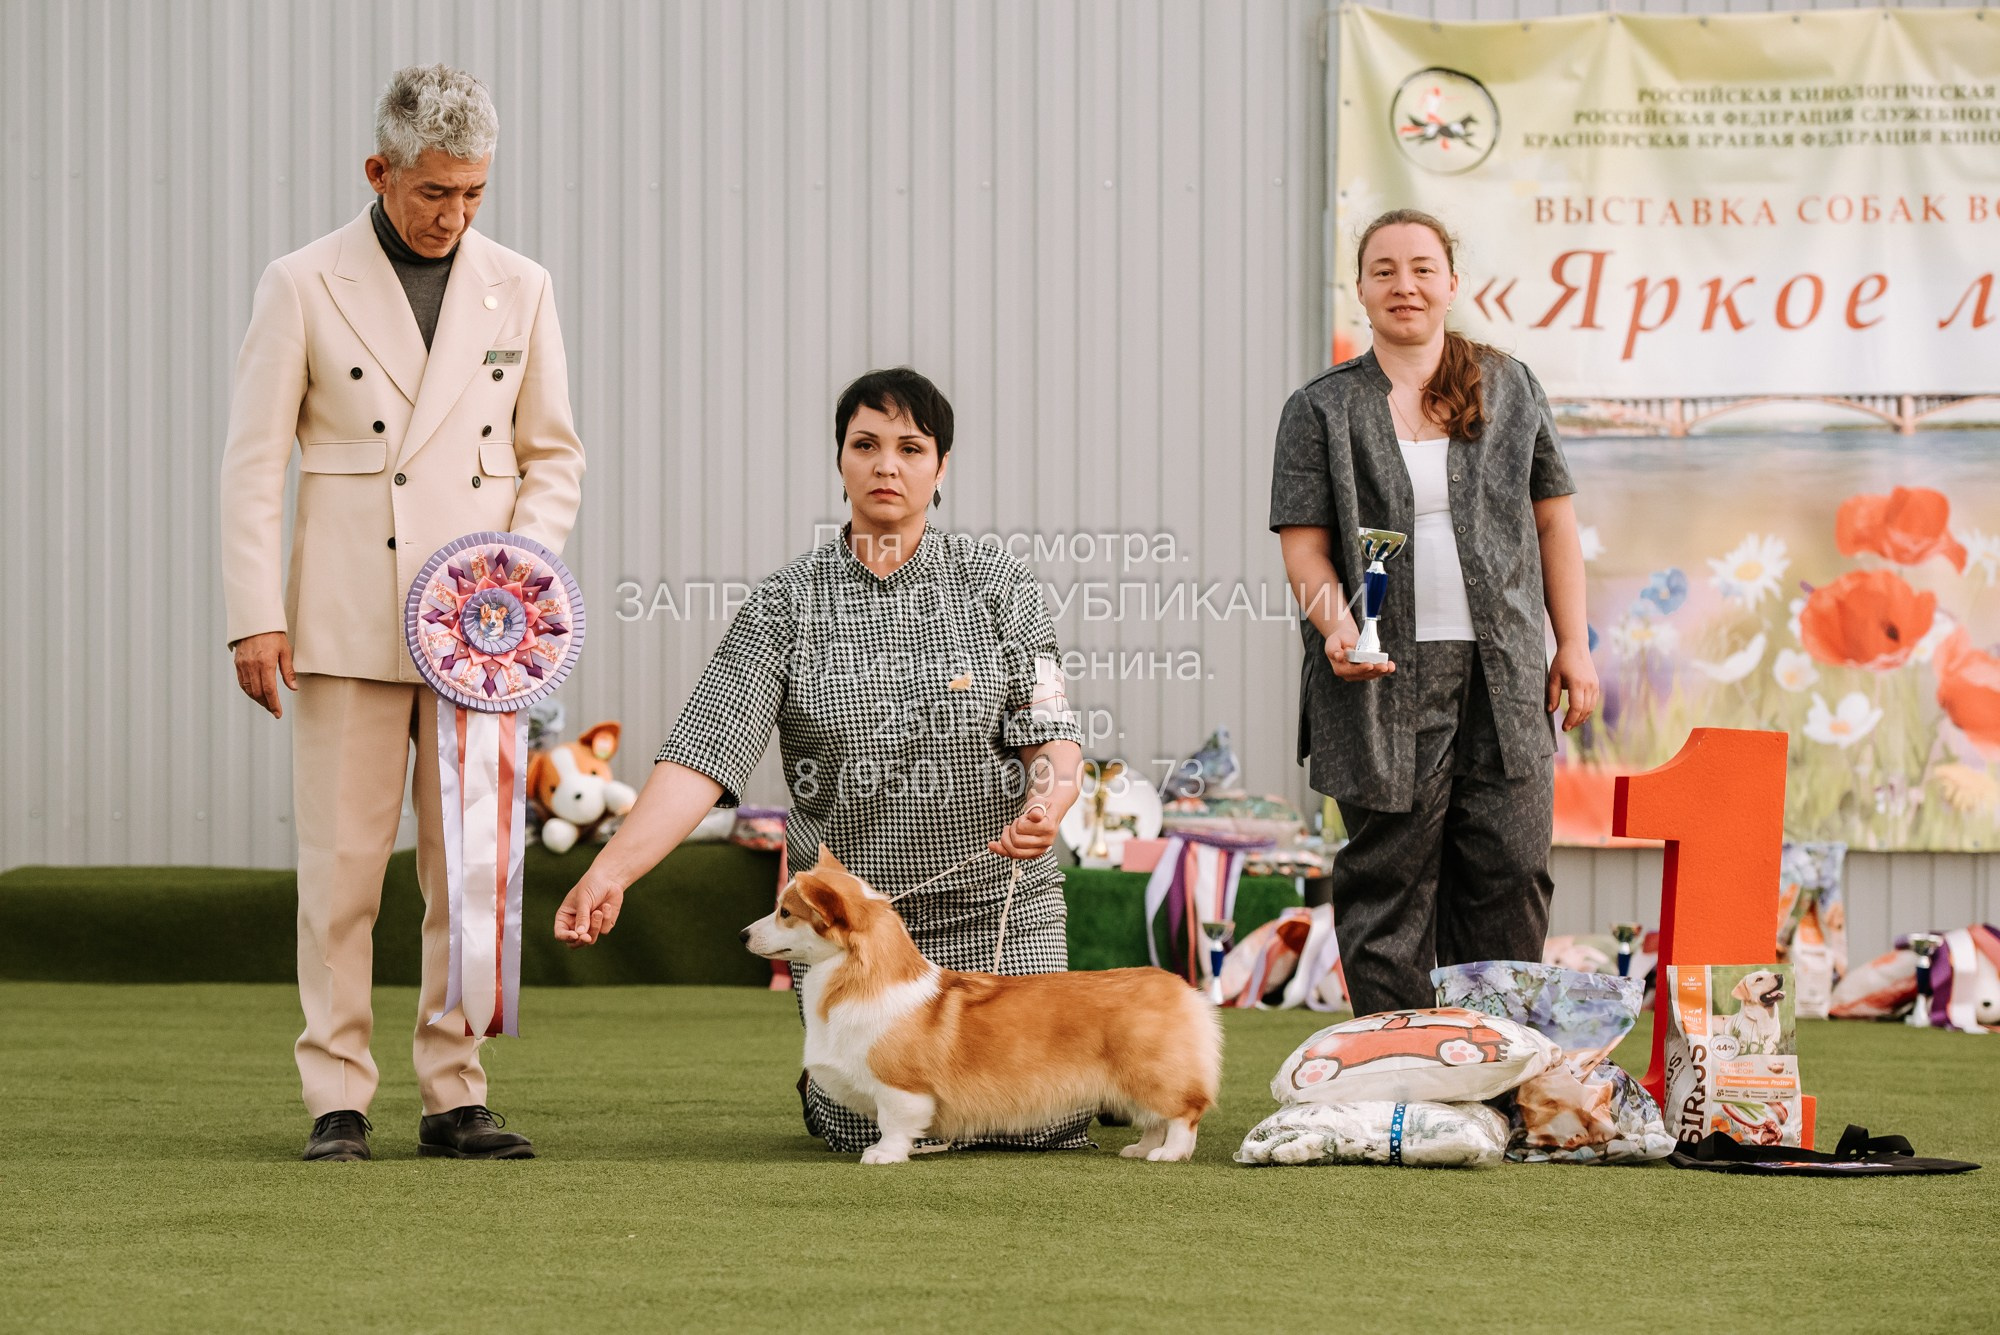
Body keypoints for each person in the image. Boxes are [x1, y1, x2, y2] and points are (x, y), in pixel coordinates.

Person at [555, 367, 1090, 1154]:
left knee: (1037, 1124)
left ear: (941, 467)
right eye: (865, 444)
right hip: (849, 934)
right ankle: (826, 1080)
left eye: (911, 447)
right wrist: (610, 872)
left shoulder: (1000, 584)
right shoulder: (783, 604)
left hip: (994, 910)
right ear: (839, 459)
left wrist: (1050, 799)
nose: (887, 464)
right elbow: (703, 750)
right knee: (866, 1126)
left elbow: (1054, 731)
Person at [220, 65, 585, 1162]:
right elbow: (251, 466)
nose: (454, 215)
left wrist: (513, 583)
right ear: (378, 171)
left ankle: (452, 1090)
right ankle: (336, 1091)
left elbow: (552, 457)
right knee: (340, 872)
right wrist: (253, 614)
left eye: (474, 193)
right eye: (434, 192)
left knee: (465, 873)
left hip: (480, 636)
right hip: (339, 625)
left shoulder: (520, 286)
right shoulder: (300, 284)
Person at [1270, 208, 1598, 1017]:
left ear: (1453, 282)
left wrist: (1575, 647)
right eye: (1384, 270)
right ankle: (1403, 1069)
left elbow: (1554, 519)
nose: (1404, 285)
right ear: (1361, 291)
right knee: (1390, 879)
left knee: (1512, 866)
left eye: (1422, 268)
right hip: (1379, 676)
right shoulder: (1320, 410)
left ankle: (1498, 1069)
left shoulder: (1510, 385)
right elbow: (1305, 548)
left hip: (1506, 672)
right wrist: (1336, 626)